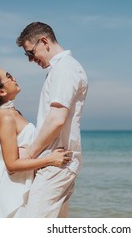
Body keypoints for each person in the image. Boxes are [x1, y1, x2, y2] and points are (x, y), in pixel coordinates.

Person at [0, 66, 72, 218]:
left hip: (22, 187)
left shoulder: (12, 112)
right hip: (14, 195)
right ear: (1, 91)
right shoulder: (4, 116)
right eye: (9, 76)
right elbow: (11, 165)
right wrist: (50, 160)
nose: (14, 78)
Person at [16, 22, 88, 217]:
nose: (31, 60)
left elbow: (57, 119)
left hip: (56, 164)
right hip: (55, 162)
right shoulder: (61, 69)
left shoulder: (64, 69)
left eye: (31, 52)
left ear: (44, 41)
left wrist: (30, 154)